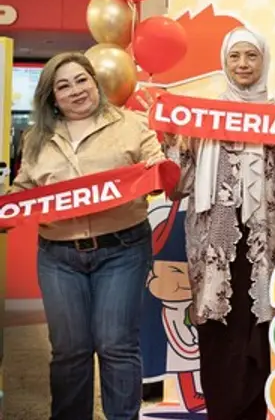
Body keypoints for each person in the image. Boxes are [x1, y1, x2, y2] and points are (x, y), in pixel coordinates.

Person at [164, 27, 275, 419]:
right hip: (212, 245)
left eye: (251, 56)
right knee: (217, 334)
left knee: (260, 332)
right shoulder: (201, 118)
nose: (243, 64)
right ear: (224, 62)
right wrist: (173, 141)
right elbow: (179, 185)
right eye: (235, 56)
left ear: (264, 61)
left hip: (265, 244)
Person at [7, 52, 166, 420]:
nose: (76, 90)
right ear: (52, 97)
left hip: (122, 249)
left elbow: (156, 171)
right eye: (63, 86)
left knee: (116, 344)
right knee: (69, 350)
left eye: (81, 80)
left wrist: (160, 171)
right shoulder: (36, 138)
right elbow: (25, 189)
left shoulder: (132, 125)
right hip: (58, 256)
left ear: (95, 82)